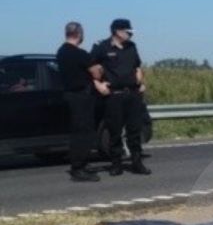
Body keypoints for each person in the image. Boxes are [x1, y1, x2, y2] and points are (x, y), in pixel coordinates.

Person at [91, 18, 150, 175]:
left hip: (132, 93)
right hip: (114, 95)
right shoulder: (101, 47)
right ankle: (116, 164)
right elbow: (90, 69)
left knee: (134, 131)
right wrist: (98, 85)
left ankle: (137, 163)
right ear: (117, 32)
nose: (130, 34)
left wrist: (140, 81)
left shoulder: (131, 47)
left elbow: (137, 66)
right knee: (114, 131)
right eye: (128, 31)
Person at [56, 22, 102, 182]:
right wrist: (95, 60)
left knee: (78, 131)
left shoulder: (61, 52)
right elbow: (96, 73)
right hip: (82, 96)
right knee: (83, 133)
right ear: (79, 34)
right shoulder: (80, 53)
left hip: (70, 95)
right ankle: (78, 168)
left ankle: (82, 163)